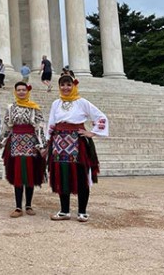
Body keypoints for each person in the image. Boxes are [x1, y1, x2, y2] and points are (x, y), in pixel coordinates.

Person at [47, 74, 108, 222]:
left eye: (68, 85)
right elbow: (51, 124)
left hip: (77, 142)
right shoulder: (56, 103)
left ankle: (82, 211)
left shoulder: (82, 102)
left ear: (74, 86)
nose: (65, 88)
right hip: (59, 143)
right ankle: (64, 211)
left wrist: (91, 133)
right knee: (62, 175)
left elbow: (101, 117)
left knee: (81, 176)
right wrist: (47, 143)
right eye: (62, 85)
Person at [0, 81, 46, 218]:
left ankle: (28, 205)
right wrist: (1, 141)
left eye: (24, 89)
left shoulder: (34, 108)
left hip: (31, 143)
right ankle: (18, 207)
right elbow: (7, 126)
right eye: (19, 90)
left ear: (27, 91)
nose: (21, 92)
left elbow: (40, 127)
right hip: (16, 143)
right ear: (15, 91)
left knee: (29, 174)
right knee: (18, 175)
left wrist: (42, 145)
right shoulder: (11, 108)